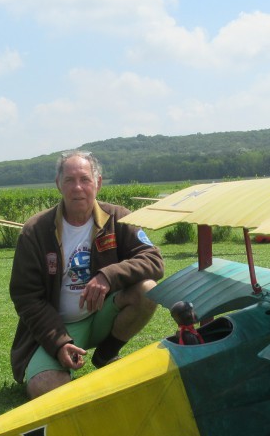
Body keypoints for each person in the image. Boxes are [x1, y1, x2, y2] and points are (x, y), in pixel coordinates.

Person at [9, 151, 164, 399]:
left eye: (85, 179)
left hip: (102, 315)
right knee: (46, 388)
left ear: (98, 183)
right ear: (59, 184)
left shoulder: (119, 218)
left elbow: (154, 260)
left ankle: (105, 355)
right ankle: (62, 364)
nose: (77, 188)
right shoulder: (35, 231)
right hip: (58, 326)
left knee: (147, 289)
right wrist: (58, 342)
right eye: (69, 180)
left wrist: (108, 276)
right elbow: (26, 297)